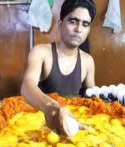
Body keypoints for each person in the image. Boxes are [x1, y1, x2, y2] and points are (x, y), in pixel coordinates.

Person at [21, 0, 96, 136]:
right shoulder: (41, 52)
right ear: (60, 24)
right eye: (73, 21)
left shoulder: (88, 61)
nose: (78, 29)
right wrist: (51, 107)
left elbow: (94, 101)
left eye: (85, 24)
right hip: (40, 130)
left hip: (73, 128)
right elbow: (27, 85)